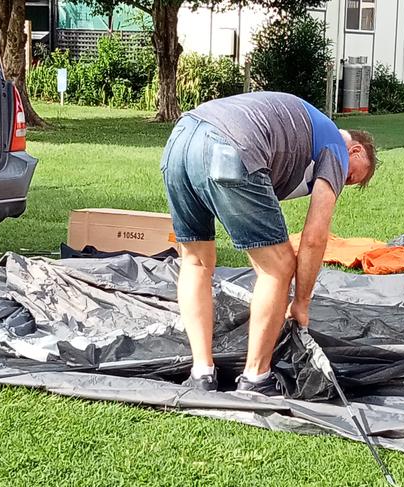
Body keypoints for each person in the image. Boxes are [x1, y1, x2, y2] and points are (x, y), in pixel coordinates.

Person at [160, 91, 377, 395]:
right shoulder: (335, 147)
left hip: (180, 142)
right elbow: (314, 239)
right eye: (352, 176)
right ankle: (256, 378)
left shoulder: (304, 129)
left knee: (195, 260)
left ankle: (201, 373)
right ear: (354, 151)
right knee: (279, 266)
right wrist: (300, 303)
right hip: (229, 146)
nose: (345, 181)